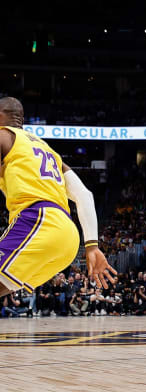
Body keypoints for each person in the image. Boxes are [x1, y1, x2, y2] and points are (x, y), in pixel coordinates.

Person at [0, 97, 116, 299]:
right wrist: (92, 246)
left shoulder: (3, 136)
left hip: (38, 219)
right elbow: (84, 195)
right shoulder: (49, 151)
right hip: (68, 238)